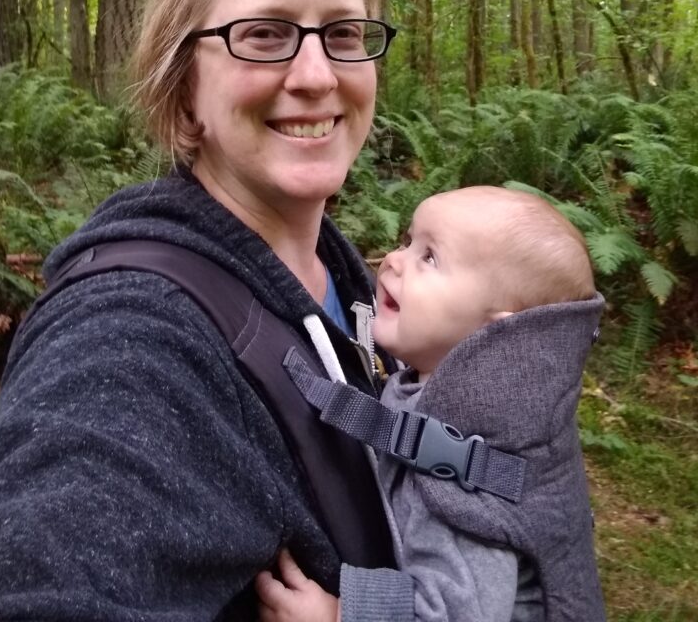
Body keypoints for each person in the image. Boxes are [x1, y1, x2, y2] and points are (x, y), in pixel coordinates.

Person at [0, 0, 400, 619]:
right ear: (185, 85)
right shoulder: (130, 331)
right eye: (264, 34)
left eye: (343, 33)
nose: (318, 75)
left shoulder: (354, 285)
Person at [256, 186, 607, 622]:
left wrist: (338, 615)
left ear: (497, 333)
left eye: (430, 258)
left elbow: (458, 614)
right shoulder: (481, 404)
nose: (393, 260)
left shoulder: (472, 480)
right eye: (408, 241)